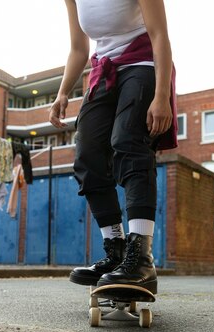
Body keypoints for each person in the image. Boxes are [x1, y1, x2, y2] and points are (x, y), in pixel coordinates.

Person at [49, 0, 177, 294]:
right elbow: (79, 48)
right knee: (87, 154)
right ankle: (116, 250)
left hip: (143, 64)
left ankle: (141, 257)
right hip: (104, 69)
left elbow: (159, 34)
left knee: (128, 141)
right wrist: (62, 93)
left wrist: (161, 95)